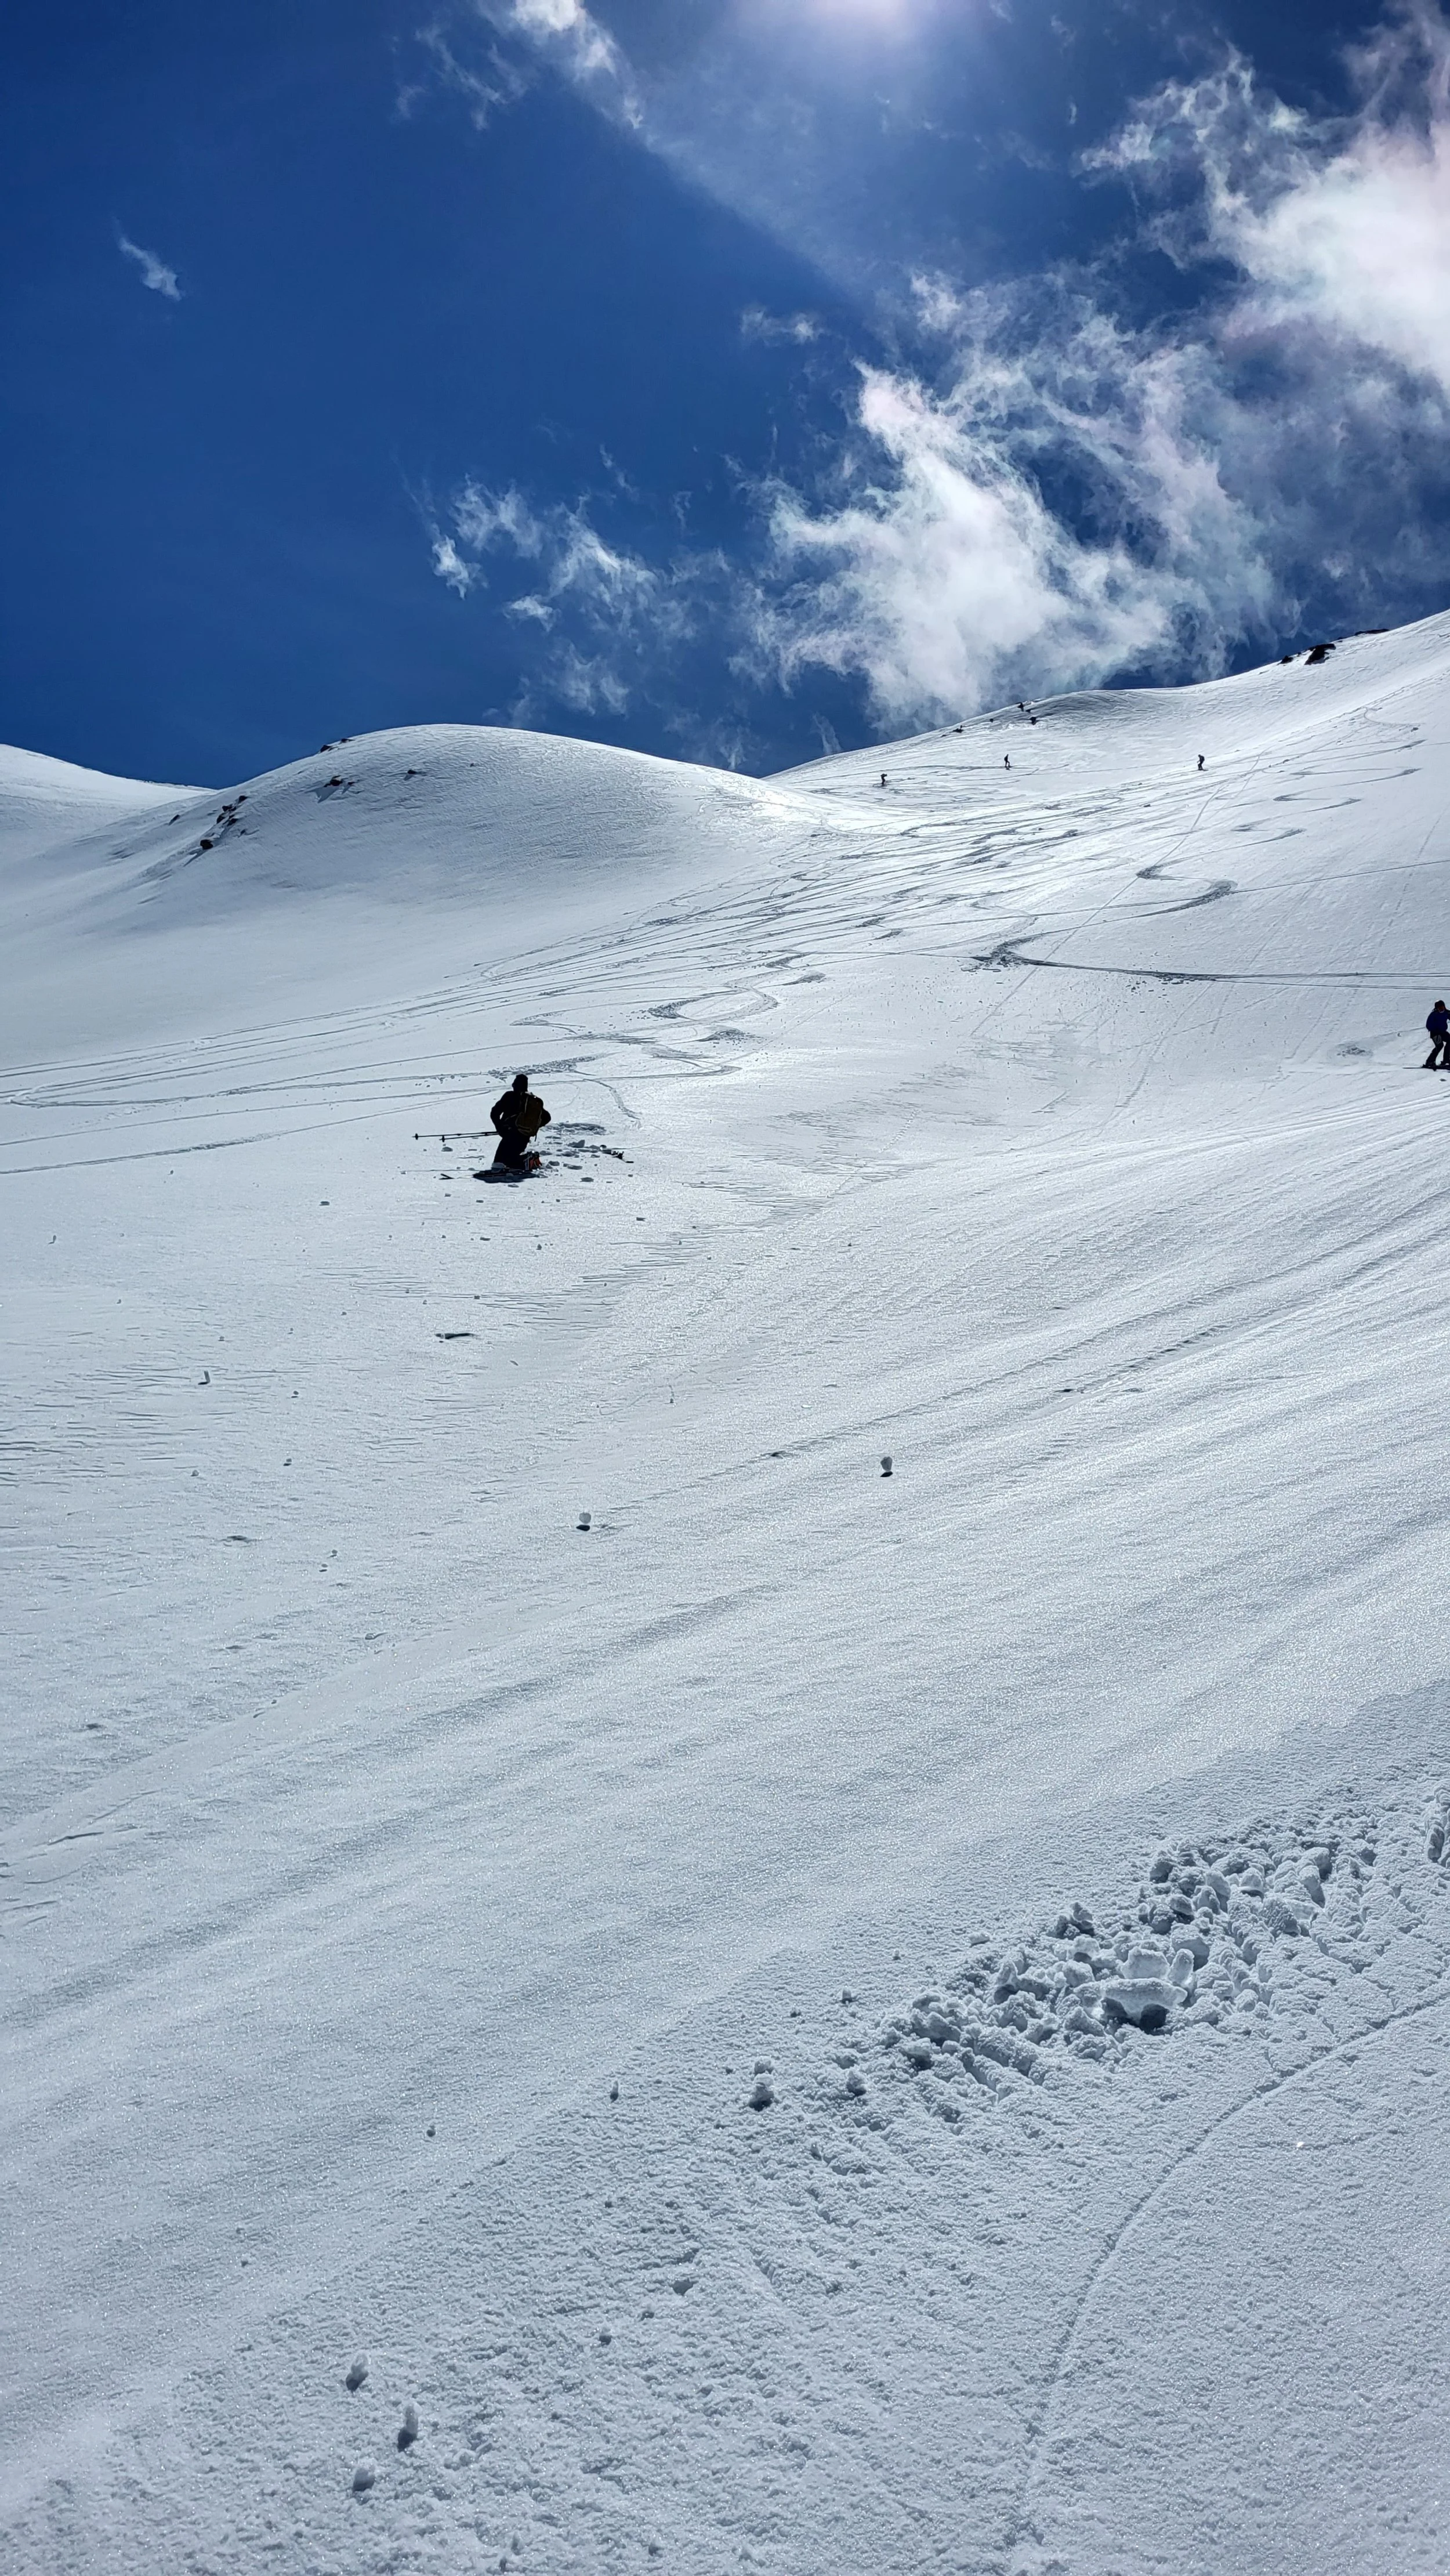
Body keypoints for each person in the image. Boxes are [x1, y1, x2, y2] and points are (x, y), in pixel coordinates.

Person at [490, 1072, 552, 1168]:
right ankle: (529, 1159)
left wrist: (499, 1128)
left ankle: (528, 1159)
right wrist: (532, 1127)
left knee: (499, 1164)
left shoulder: (509, 1096)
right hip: (524, 1137)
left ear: (514, 1085)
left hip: (509, 1134)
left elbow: (494, 1113)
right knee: (509, 1160)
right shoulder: (531, 1100)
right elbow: (547, 1117)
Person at [1425, 1000, 1450, 1070]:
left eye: (1442, 1007)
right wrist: (1435, 1030)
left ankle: (1446, 1060)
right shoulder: (1434, 1014)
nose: (1441, 1009)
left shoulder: (1447, 1013)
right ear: (1436, 1008)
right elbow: (1428, 1025)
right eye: (1439, 1008)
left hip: (1443, 1032)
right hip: (1435, 1033)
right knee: (1440, 1046)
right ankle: (1430, 1061)